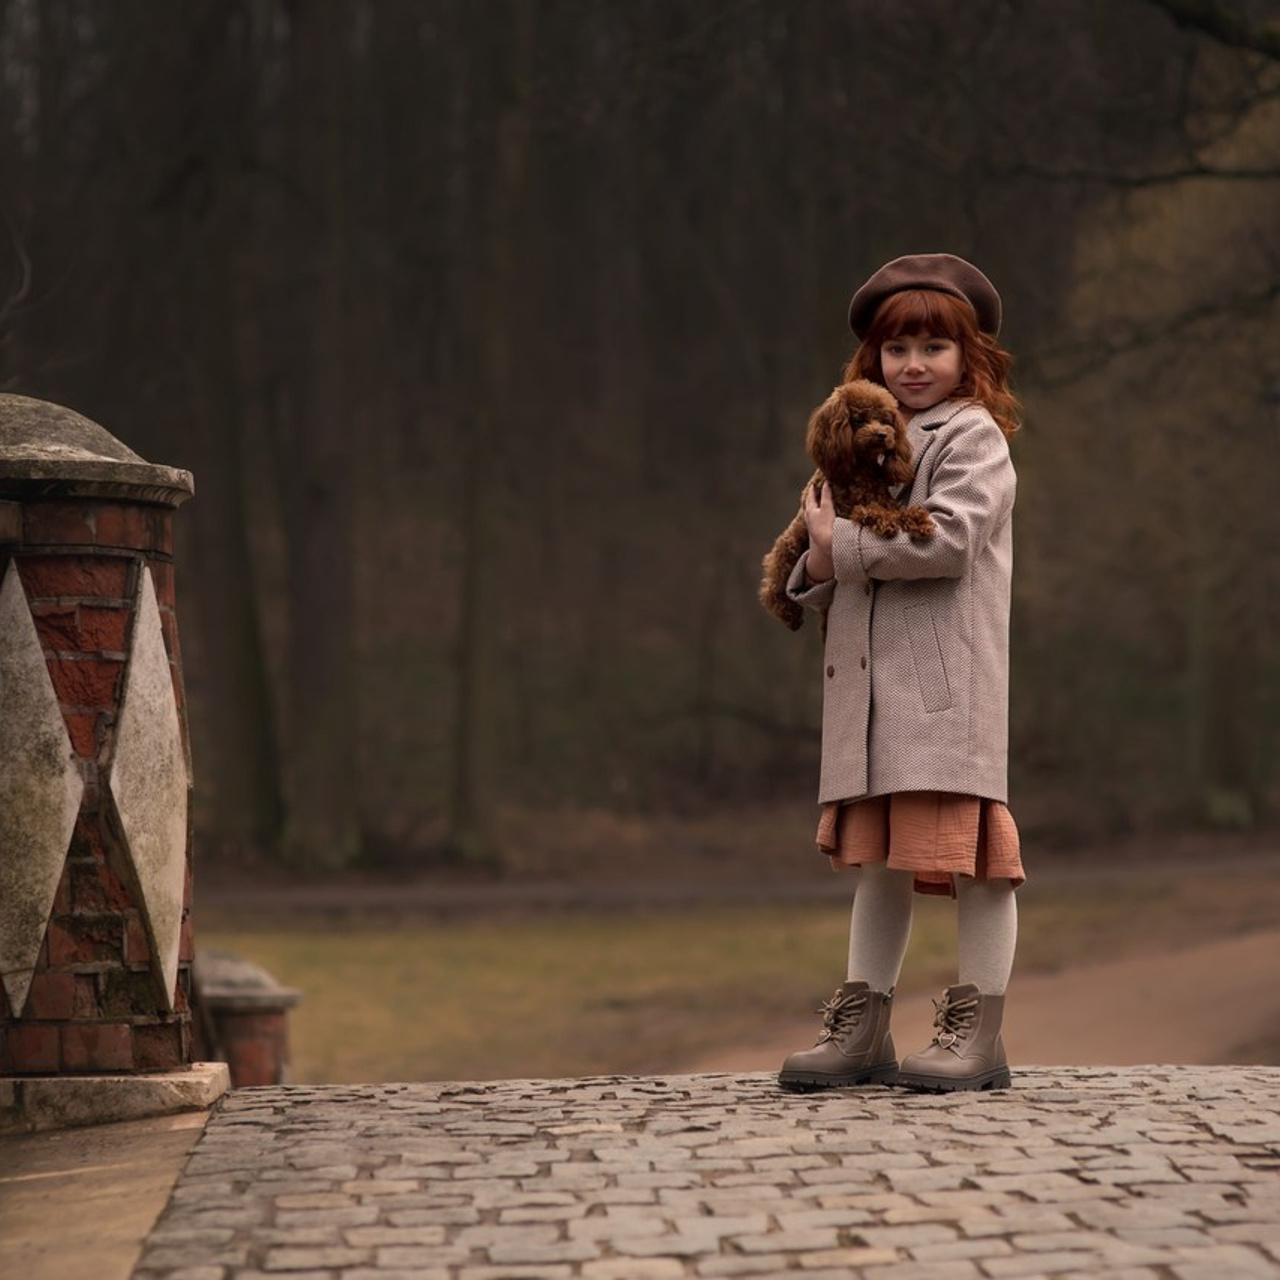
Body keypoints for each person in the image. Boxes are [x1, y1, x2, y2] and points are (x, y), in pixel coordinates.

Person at [777, 252, 1024, 1093]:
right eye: (896, 350)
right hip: (869, 700)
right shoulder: (858, 438)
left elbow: (949, 542)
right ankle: (863, 1024)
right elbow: (824, 551)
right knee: (880, 860)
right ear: (872, 361)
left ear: (969, 358)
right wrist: (811, 563)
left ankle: (979, 1028)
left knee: (972, 858)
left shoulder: (974, 439)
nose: (913, 366)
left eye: (933, 348)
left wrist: (836, 549)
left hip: (941, 692)